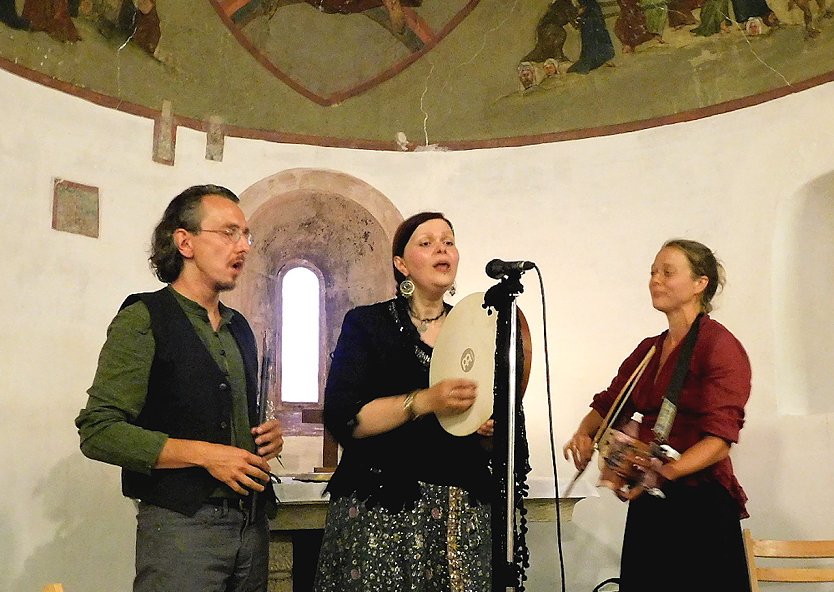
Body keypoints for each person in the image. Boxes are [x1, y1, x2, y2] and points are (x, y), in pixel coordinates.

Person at [75, 184, 283, 592]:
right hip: (181, 529)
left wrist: (266, 436)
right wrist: (206, 456)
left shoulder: (239, 326)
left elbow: (226, 417)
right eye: (228, 233)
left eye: (246, 235)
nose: (242, 246)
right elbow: (98, 431)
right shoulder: (144, 317)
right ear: (184, 241)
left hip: (252, 526)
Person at [314, 212, 494, 592]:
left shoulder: (479, 331)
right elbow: (345, 417)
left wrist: (489, 429)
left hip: (458, 514)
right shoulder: (367, 324)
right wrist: (427, 400)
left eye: (448, 240)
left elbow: (502, 428)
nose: (441, 248)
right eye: (425, 242)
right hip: (382, 511)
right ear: (401, 264)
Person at [563, 239, 752, 592]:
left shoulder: (719, 345)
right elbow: (607, 405)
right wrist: (584, 435)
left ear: (700, 284)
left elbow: (719, 440)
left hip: (700, 504)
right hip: (652, 500)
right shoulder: (649, 349)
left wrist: (664, 472)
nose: (655, 280)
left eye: (667, 272)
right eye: (652, 272)